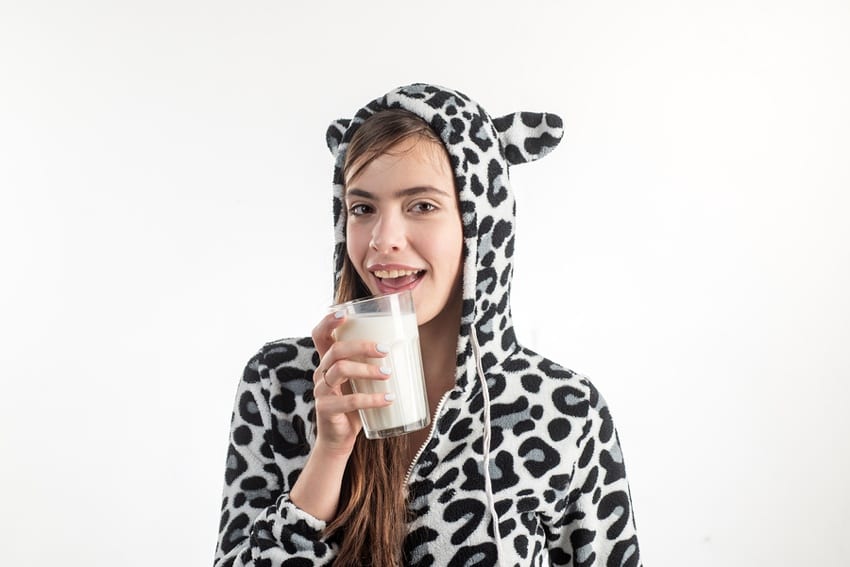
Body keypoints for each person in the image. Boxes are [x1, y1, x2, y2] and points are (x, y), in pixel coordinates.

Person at [213, 83, 641, 566]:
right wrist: (330, 454)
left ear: (479, 225)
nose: (382, 239)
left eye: (421, 205)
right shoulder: (280, 383)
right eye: (363, 208)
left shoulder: (565, 412)